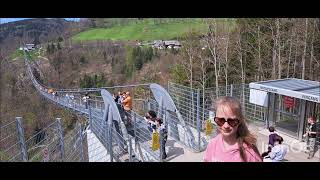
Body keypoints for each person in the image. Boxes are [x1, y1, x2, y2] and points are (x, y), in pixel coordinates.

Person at [203, 96, 262, 162]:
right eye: (220, 120)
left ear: (239, 121)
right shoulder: (213, 144)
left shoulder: (249, 152)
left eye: (232, 121)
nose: (226, 126)